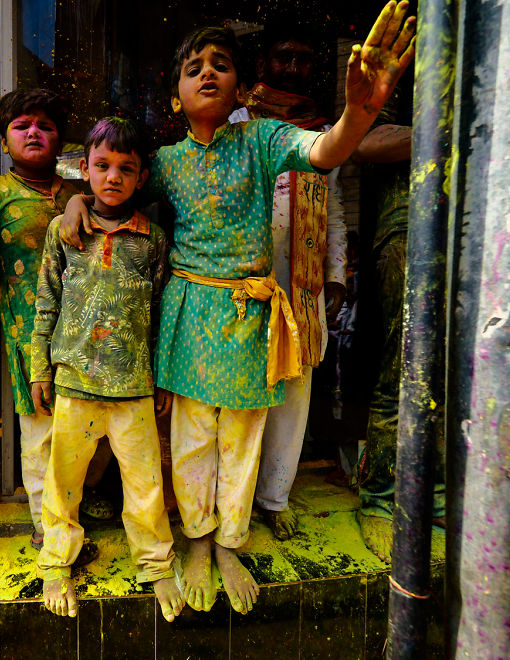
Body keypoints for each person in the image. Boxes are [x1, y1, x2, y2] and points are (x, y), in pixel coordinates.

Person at [61, 1, 416, 614]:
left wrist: (359, 112)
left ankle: (231, 542)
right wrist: (73, 203)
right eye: (193, 66)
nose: (206, 74)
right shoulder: (164, 162)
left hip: (250, 313)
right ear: (175, 92)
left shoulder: (262, 138)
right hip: (188, 308)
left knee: (244, 437)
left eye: (219, 65)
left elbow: (326, 153)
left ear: (240, 85)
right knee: (194, 437)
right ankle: (197, 541)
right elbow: (98, 177)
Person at [0, 88, 108, 557]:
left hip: (91, 340)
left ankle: (77, 501)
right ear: (3, 140)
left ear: (61, 142)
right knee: (42, 438)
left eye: (46, 126)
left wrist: (79, 201)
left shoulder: (81, 196)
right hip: (30, 340)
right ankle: (47, 528)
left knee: (93, 436)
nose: (34, 131)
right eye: (21, 125)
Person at [30, 117, 184, 622]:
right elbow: (46, 302)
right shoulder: (64, 230)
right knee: (64, 481)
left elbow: (162, 313)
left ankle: (157, 566)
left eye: (126, 168)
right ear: (85, 170)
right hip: (74, 382)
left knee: (145, 486)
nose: (113, 176)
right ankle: (56, 562)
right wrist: (40, 370)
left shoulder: (154, 240)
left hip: (134, 388)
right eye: (102, 166)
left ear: (141, 178)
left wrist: (161, 376)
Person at [230, 27, 347, 541]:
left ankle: (274, 499)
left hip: (300, 281)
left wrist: (335, 276)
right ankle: (232, 501)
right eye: (285, 53)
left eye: (304, 56)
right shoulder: (236, 121)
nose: (294, 65)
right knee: (240, 387)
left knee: (294, 390)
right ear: (264, 62)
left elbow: (335, 211)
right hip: (240, 278)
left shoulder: (325, 133)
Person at [352, 88, 445, 563]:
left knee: (459, 371)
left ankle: (437, 493)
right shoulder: (419, 59)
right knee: (401, 367)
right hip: (409, 227)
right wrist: (452, 134)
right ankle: (381, 496)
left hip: (471, 226)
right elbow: (364, 140)